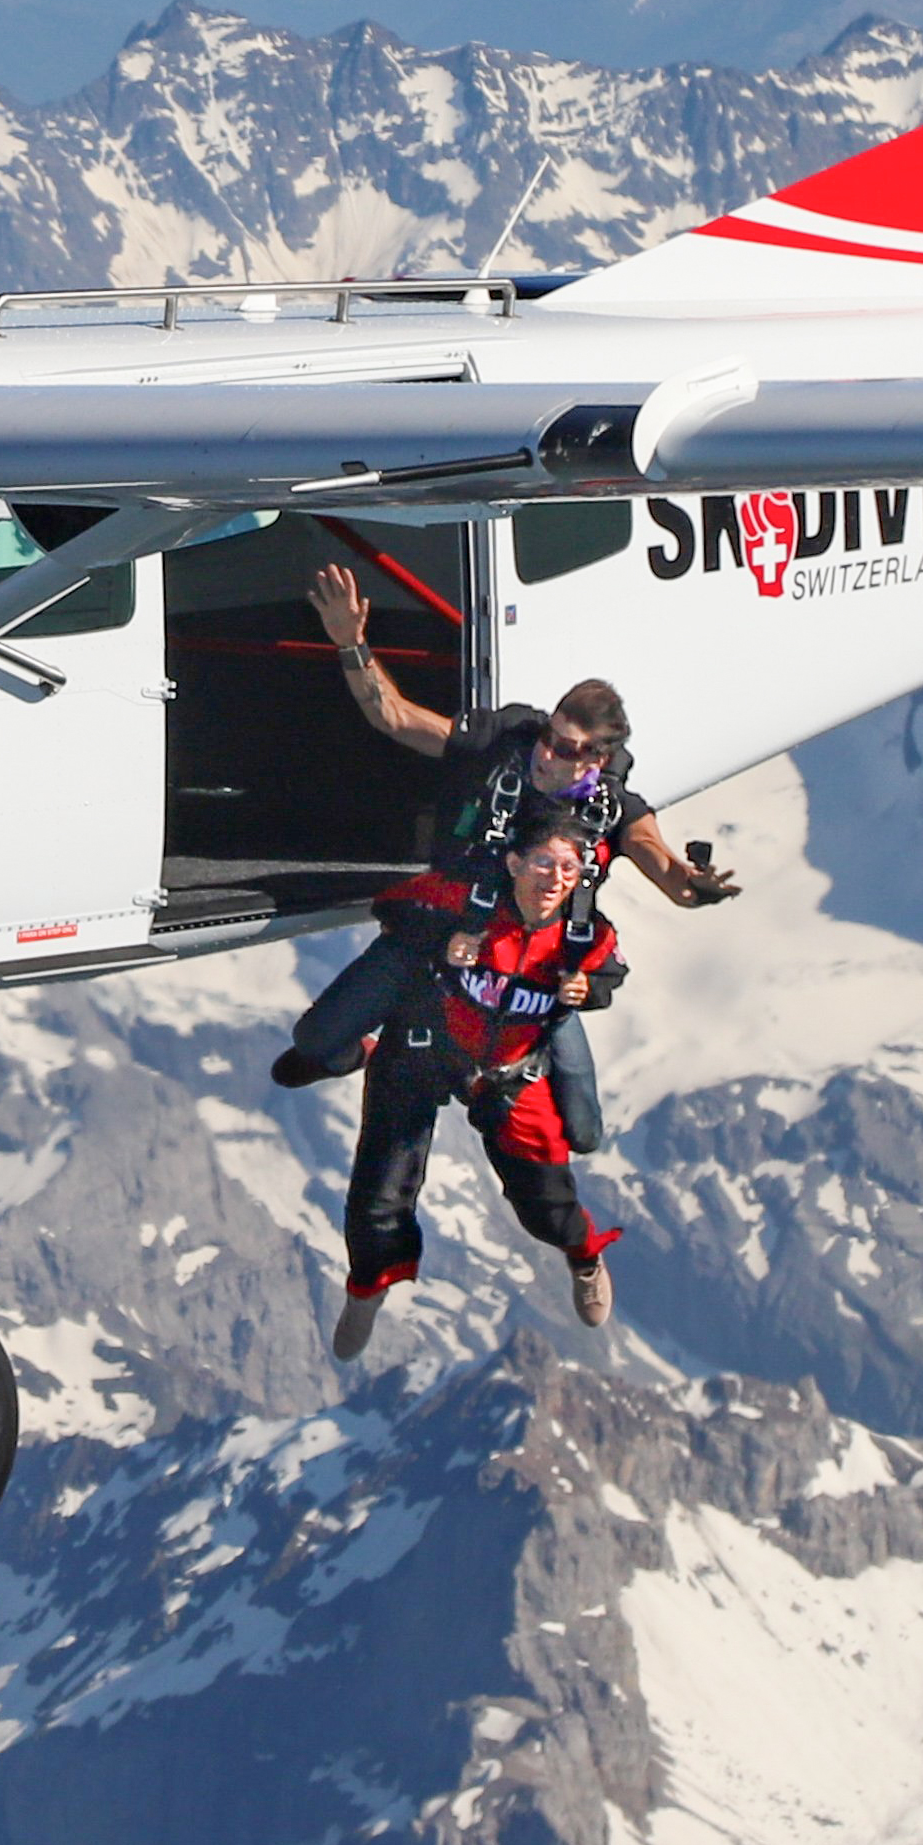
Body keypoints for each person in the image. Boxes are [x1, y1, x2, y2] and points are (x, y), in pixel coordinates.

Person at [270, 555, 731, 1138]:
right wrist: (351, 644)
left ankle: (502, 1066)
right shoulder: (501, 743)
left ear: (597, 759)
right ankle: (371, 1051)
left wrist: (698, 886)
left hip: (528, 975)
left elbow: (665, 868)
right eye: (549, 737)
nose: (546, 754)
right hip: (435, 937)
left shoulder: (610, 808)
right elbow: (395, 718)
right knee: (313, 1044)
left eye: (567, 749)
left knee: (583, 1132)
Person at [331, 805, 625, 1359]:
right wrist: (445, 940)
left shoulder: (583, 932)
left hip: (511, 1070)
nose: (553, 880)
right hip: (427, 1047)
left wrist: (588, 989)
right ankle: (368, 1286)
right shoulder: (470, 900)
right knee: (379, 1186)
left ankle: (583, 1255)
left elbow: (611, 972)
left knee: (546, 1199)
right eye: (542, 863)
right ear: (513, 862)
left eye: (568, 869)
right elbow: (394, 906)